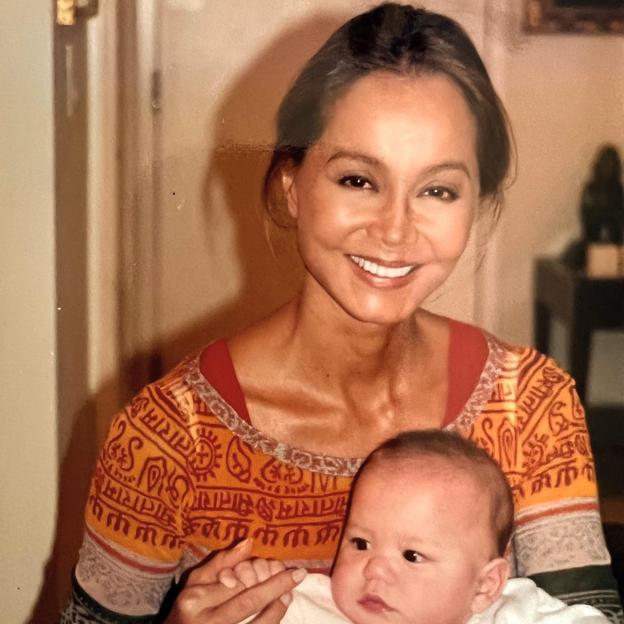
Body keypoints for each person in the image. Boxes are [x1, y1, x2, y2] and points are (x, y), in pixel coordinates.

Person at [60, 3, 623, 623]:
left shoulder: (531, 408)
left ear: (475, 203)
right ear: (291, 185)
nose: (394, 230)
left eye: (437, 190)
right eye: (358, 179)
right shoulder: (165, 440)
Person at [219, 430, 609, 624]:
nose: (374, 568)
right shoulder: (307, 606)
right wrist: (247, 586)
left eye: (412, 555)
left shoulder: (508, 613)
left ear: (484, 585)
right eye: (360, 543)